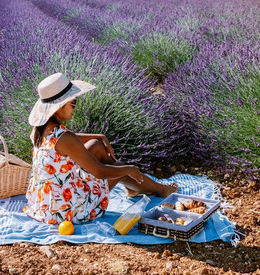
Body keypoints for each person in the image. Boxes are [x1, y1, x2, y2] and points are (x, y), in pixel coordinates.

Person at [24, 72, 178, 225]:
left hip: (46, 204)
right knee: (119, 167)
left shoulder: (39, 131)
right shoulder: (65, 138)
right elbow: (101, 171)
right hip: (69, 211)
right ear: (58, 107)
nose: (75, 107)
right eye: (73, 102)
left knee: (95, 146)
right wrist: (129, 169)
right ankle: (159, 190)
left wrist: (99, 136)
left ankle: (134, 187)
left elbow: (67, 139)